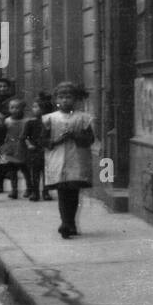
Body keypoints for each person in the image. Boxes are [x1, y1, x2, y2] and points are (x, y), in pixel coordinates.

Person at [41, 82, 95, 238]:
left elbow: (89, 139)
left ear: (75, 99)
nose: (65, 100)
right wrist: (57, 140)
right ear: (56, 99)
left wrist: (74, 135)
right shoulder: (49, 119)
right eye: (61, 97)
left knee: (73, 192)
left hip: (77, 159)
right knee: (62, 192)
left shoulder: (83, 118)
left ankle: (70, 222)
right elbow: (43, 140)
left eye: (69, 97)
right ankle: (66, 222)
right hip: (57, 159)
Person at [0, 98, 32, 199]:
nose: (14, 110)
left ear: (23, 108)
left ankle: (29, 189)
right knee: (12, 170)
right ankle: (14, 190)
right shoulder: (7, 121)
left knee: (25, 170)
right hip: (10, 148)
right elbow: (4, 133)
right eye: (12, 107)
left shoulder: (27, 121)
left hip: (23, 148)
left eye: (17, 107)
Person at [25, 99, 49, 202]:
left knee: (46, 174)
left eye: (38, 107)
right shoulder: (30, 123)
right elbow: (25, 137)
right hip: (34, 151)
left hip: (45, 150)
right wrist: (29, 144)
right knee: (35, 173)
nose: (35, 109)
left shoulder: (48, 122)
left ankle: (46, 192)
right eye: (34, 107)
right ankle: (35, 192)